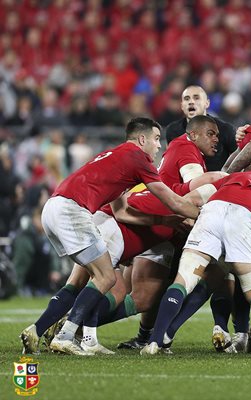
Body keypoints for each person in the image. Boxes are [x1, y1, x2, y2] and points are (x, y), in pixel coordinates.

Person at [20, 117, 199, 356]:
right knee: (106, 277)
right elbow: (174, 201)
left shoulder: (117, 156)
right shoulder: (138, 159)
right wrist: (202, 214)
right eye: (156, 139)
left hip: (54, 207)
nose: (158, 146)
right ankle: (64, 336)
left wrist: (162, 221)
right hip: (73, 211)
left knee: (87, 279)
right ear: (142, 139)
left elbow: (122, 212)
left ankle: (37, 331)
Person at [140, 169, 251, 356]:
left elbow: (193, 199)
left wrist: (195, 217)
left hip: (211, 213)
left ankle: (155, 341)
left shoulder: (236, 176)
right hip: (245, 219)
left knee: (182, 282)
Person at [165, 85, 237, 171]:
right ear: (182, 106)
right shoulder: (172, 130)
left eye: (196, 98)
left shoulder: (226, 129)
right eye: (187, 99)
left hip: (219, 182)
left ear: (207, 103)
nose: (191, 102)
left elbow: (240, 159)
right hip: (186, 182)